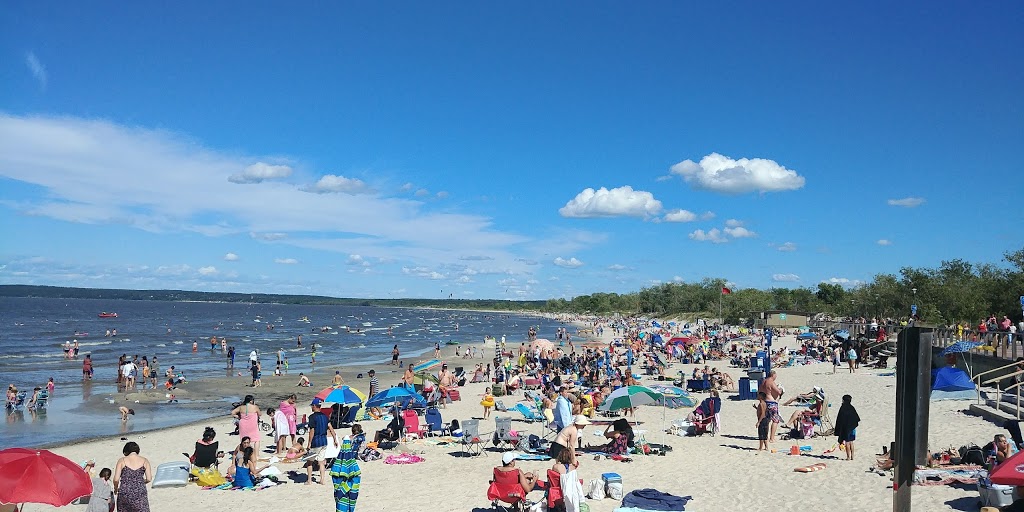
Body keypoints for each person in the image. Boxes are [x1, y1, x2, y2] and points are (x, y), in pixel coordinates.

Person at [331, 425, 363, 512]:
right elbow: (355, 483)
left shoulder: (337, 465)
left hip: (339, 495)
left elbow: (335, 480)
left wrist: (341, 489)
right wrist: (347, 485)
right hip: (347, 494)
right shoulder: (352, 465)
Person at [306, 398, 337, 485]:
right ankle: (322, 480)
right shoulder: (325, 416)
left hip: (316, 441)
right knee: (321, 461)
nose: (311, 407)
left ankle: (309, 480)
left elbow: (312, 431)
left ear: (315, 406)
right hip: (324, 441)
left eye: (312, 406)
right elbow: (331, 428)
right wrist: (335, 439)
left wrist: (309, 444)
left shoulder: (312, 417)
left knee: (309, 461)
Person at [113, 442, 152, 512]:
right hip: (140, 491)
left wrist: (115, 488)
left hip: (125, 490)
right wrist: (140, 482)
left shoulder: (122, 460)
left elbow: (116, 479)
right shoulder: (145, 461)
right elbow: (149, 479)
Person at [834, 394, 861, 460]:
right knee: (851, 442)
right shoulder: (852, 407)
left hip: (846, 428)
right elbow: (856, 418)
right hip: (852, 427)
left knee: (847, 442)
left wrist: (838, 430)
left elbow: (839, 419)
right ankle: (852, 456)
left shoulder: (843, 408)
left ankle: (848, 457)